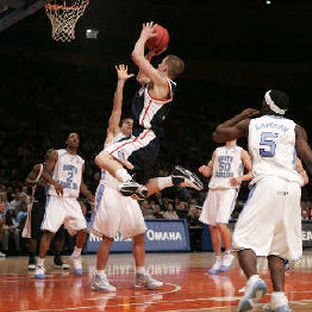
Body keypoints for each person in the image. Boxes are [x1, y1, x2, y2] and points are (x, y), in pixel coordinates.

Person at [212, 90, 312, 312]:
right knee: (279, 248)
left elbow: (218, 134)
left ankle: (253, 280)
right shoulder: (296, 128)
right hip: (292, 188)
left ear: (266, 105)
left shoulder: (251, 123)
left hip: (267, 183)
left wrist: (240, 115)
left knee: (243, 241)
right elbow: (311, 160)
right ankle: (279, 301)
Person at [90, 64, 202, 293]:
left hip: (127, 189)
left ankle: (141, 274)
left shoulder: (135, 145)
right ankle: (99, 277)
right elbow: (116, 107)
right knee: (108, 237)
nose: (130, 124)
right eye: (127, 123)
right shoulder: (113, 135)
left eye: (133, 123)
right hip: (110, 188)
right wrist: (121, 82)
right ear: (120, 125)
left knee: (139, 232)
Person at [95, 22, 195, 198]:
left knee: (102, 158)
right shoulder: (155, 84)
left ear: (165, 68)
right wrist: (151, 52)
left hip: (143, 138)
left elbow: (135, 55)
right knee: (138, 193)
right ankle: (174, 179)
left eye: (160, 62)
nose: (157, 64)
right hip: (148, 142)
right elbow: (141, 75)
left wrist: (144, 35)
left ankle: (127, 180)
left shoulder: (162, 83)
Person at [35, 132, 95, 279]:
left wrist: (91, 196)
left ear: (79, 142)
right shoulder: (57, 154)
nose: (74, 139)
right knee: (49, 232)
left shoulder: (81, 161)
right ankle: (40, 264)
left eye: (77, 137)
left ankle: (76, 255)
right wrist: (55, 183)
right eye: (71, 137)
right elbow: (44, 172)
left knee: (83, 230)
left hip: (72, 200)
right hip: (56, 199)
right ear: (66, 140)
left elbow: (80, 184)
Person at [198, 139, 252, 275]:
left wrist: (240, 178)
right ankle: (217, 259)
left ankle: (228, 253)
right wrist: (204, 169)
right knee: (212, 227)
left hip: (229, 190)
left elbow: (253, 172)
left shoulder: (241, 152)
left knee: (221, 224)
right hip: (213, 188)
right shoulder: (217, 151)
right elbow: (208, 171)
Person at [23, 149, 70, 270]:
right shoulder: (39, 167)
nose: (54, 153)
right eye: (51, 152)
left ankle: (57, 258)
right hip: (39, 203)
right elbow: (26, 181)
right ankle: (32, 258)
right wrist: (36, 182)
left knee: (60, 233)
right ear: (47, 155)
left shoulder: (60, 169)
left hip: (55, 203)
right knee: (34, 233)